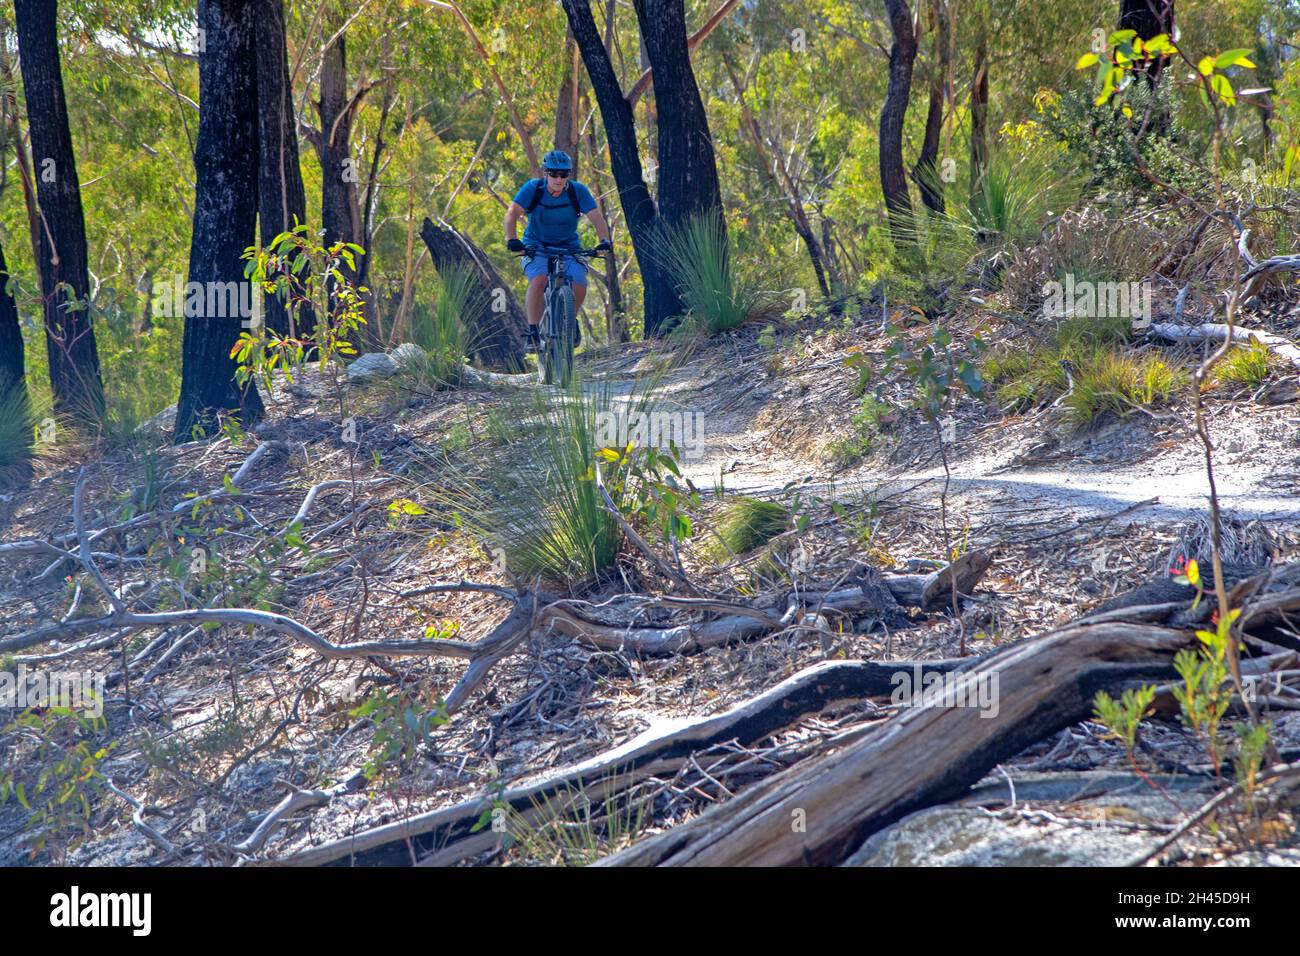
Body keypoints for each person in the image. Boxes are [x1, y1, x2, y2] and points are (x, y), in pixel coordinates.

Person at [503, 149, 612, 350]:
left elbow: (596, 217)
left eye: (563, 174)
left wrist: (604, 241)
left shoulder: (577, 191)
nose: (558, 179)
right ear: (545, 173)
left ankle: (571, 319)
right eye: (554, 173)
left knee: (579, 283)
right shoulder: (533, 189)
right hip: (536, 246)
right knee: (539, 280)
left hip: (569, 247)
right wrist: (512, 239)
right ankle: (533, 331)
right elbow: (512, 214)